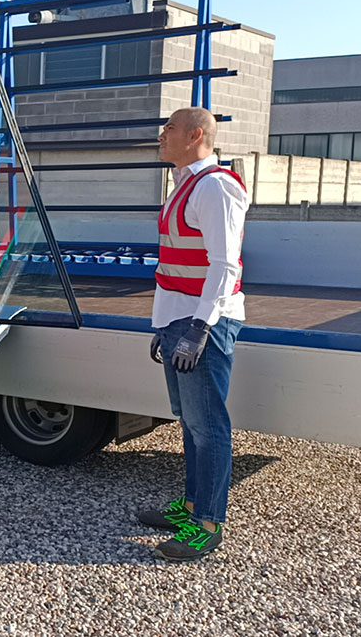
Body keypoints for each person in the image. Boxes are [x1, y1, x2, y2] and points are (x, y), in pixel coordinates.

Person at [136, 107, 249, 562]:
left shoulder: (216, 187)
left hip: (203, 321)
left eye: (170, 129)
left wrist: (200, 327)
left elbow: (225, 265)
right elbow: (174, 266)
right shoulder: (185, 183)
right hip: (178, 320)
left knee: (209, 426)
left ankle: (208, 525)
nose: (161, 134)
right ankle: (190, 507)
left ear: (196, 135)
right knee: (191, 423)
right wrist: (162, 325)